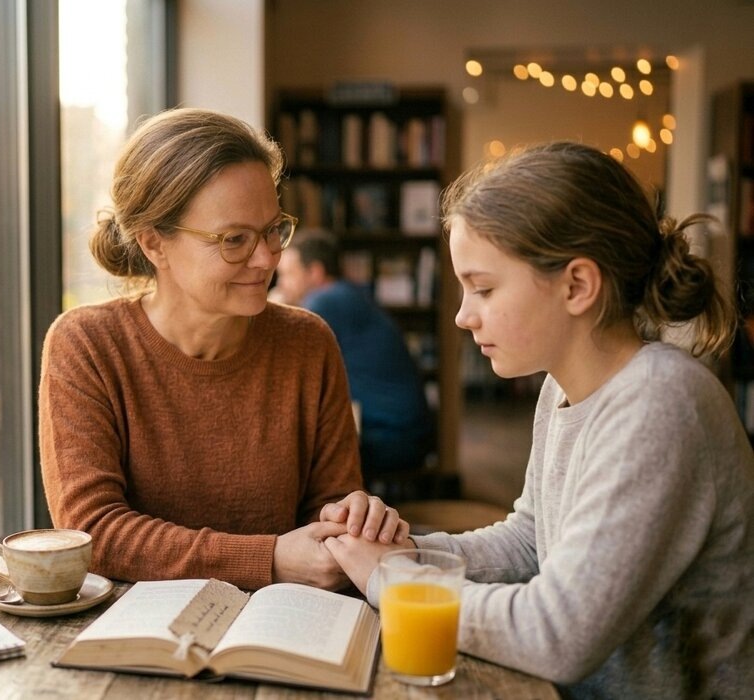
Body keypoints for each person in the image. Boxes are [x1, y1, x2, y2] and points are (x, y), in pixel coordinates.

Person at [323, 141, 754, 698]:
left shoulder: (661, 404)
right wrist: (407, 549)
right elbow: (531, 540)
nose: (461, 314)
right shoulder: (562, 386)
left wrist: (392, 581)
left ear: (577, 285)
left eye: (483, 288)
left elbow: (557, 635)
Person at [38, 107, 405, 593]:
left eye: (273, 230)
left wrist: (352, 518)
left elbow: (330, 508)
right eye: (234, 239)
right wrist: (267, 557)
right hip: (127, 640)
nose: (266, 258)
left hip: (282, 626)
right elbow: (93, 533)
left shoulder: (307, 342)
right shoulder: (86, 345)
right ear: (154, 244)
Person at [274, 229, 434, 491]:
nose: (281, 284)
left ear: (314, 272)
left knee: (304, 466)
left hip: (393, 437)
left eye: (287, 275)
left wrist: (273, 301)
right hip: (405, 431)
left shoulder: (328, 300)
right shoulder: (348, 294)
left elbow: (272, 332)